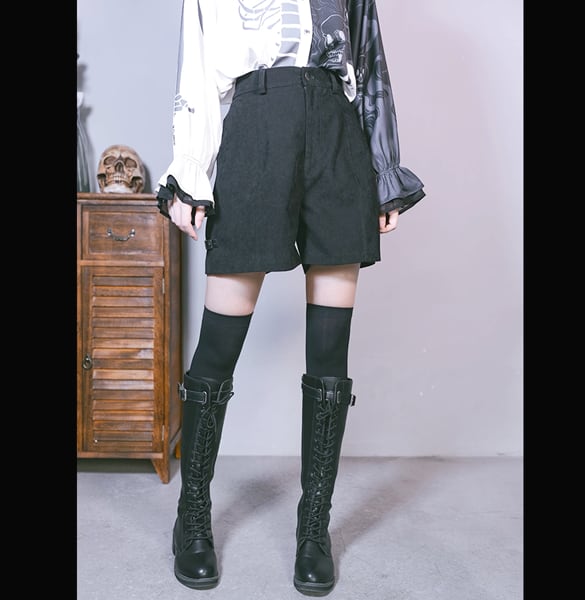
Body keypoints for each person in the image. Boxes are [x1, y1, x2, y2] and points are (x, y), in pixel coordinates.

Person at [155, 0, 425, 595]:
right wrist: (190, 173)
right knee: (219, 345)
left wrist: (385, 173)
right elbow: (197, 65)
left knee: (330, 354)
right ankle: (192, 516)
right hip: (257, 127)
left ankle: (313, 529)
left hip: (337, 136)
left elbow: (371, 67)